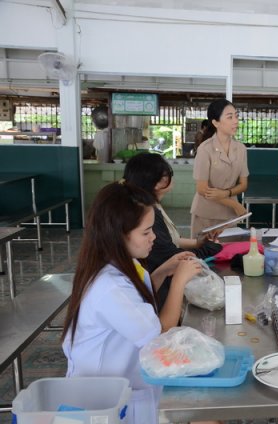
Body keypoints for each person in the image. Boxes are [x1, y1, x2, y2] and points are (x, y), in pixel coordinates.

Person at [61, 182, 203, 424]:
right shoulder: (109, 286)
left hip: (121, 383)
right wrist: (179, 282)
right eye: (146, 232)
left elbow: (138, 302)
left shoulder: (120, 263)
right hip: (103, 399)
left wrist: (163, 271)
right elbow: (159, 333)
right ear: (118, 235)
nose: (154, 237)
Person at [124, 152, 222, 310]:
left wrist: (198, 243)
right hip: (160, 292)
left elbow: (169, 239)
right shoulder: (148, 213)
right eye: (167, 175)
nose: (153, 237)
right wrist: (208, 249)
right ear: (157, 183)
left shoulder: (151, 206)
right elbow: (170, 255)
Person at [190, 99, 249, 237]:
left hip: (230, 216)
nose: (235, 121)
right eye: (230, 117)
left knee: (228, 255)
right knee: (204, 255)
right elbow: (202, 189)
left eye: (236, 116)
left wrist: (226, 193)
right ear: (215, 122)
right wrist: (234, 204)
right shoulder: (205, 149)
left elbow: (243, 184)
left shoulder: (241, 149)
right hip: (206, 215)